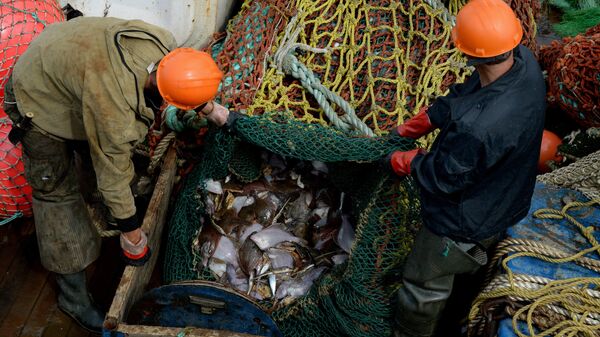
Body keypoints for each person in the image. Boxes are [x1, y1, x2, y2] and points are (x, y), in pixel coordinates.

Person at [3, 17, 229, 334]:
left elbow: (181, 81)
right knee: (56, 196)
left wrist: (212, 110)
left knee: (111, 156)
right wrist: (132, 235)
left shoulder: (163, 41)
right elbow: (111, 171)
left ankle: (111, 208)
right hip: (35, 96)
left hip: (64, 60)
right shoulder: (115, 108)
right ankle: (74, 300)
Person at [385, 0, 546, 336]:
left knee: (424, 280)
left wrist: (409, 160)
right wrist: (431, 117)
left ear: (470, 54)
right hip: (508, 197)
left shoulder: (479, 128)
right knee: (468, 272)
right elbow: (472, 92)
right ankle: (460, 302)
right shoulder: (525, 63)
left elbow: (443, 177)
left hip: (463, 222)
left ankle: (412, 331)